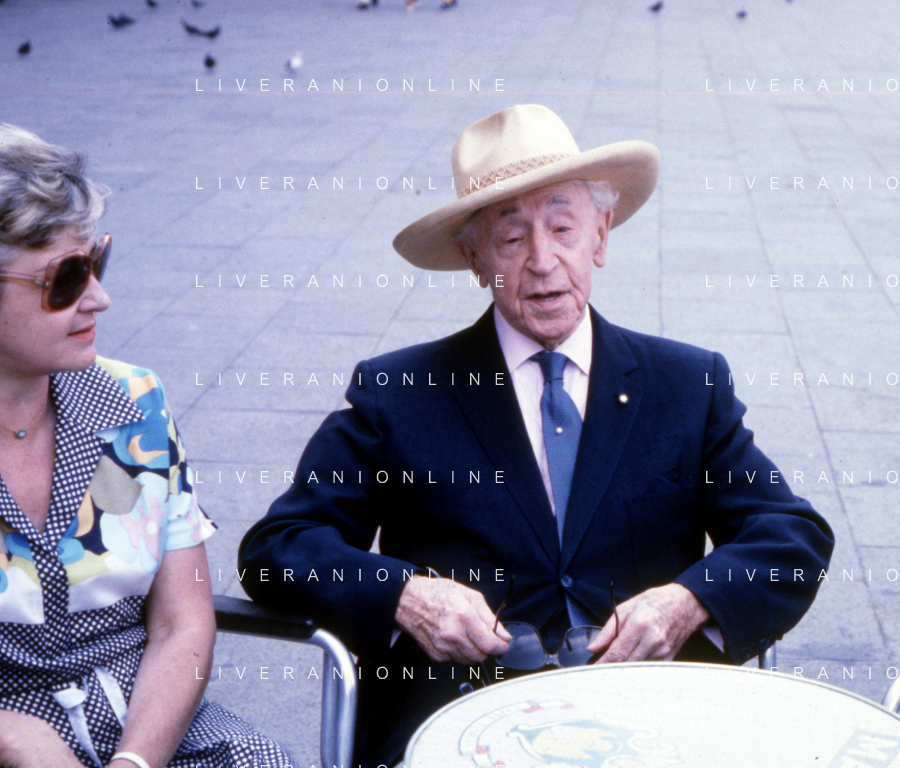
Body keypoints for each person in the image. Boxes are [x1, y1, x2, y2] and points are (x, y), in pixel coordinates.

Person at [239, 103, 835, 766]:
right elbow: (277, 548)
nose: (543, 261)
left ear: (600, 237)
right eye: (511, 238)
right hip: (459, 721)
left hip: (649, 715)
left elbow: (791, 536)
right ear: (474, 257)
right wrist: (406, 595)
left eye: (562, 227)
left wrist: (688, 601)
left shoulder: (686, 385)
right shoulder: (401, 392)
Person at [0, 125, 291, 768]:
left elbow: (183, 622)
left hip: (144, 722)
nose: (100, 298)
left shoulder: (135, 403)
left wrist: (135, 761)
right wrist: (13, 737)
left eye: (96, 262)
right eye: (66, 278)